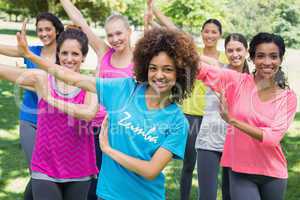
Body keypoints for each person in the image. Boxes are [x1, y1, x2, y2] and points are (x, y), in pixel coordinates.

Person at [16, 24, 200, 200]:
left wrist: (108, 150)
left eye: (167, 69)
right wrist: (30, 56)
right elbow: (73, 78)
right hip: (107, 195)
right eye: (153, 68)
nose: (159, 75)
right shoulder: (125, 89)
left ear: (180, 73)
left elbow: (151, 170)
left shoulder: (177, 122)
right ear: (145, 67)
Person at [0, 27, 99, 200]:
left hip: (79, 170)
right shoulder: (42, 79)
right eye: (64, 53)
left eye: (75, 54)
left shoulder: (90, 85)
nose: (69, 59)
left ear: (83, 57)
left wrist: (51, 100)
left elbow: (88, 113)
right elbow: (3, 71)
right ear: (58, 55)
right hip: (45, 167)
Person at [197, 32, 297, 200]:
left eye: (273, 56)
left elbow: (272, 138)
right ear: (251, 58)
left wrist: (233, 121)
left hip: (273, 173)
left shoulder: (288, 97)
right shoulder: (237, 82)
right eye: (260, 56)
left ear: (281, 59)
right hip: (241, 171)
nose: (267, 62)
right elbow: (202, 70)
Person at [147, 3, 227, 199]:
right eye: (206, 31)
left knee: (214, 165)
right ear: (201, 33)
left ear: (219, 35)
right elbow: (172, 29)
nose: (209, 35)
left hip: (214, 117)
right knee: (188, 164)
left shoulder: (224, 57)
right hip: (190, 114)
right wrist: (154, 9)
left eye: (214, 32)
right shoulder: (191, 50)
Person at [59, 1, 134, 198]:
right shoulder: (104, 52)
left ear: (129, 31)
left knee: (111, 183)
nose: (115, 39)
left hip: (118, 132)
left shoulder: (139, 61)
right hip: (90, 126)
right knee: (87, 179)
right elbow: (79, 20)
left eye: (119, 33)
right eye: (110, 35)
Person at [0, 12, 64, 200]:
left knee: (48, 173)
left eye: (48, 29)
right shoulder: (31, 51)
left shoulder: (64, 55)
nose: (44, 33)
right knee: (38, 172)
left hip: (55, 122)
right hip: (30, 121)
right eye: (40, 30)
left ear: (57, 30)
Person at [195, 33, 249, 200]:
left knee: (231, 195)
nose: (235, 54)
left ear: (246, 51)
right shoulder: (218, 70)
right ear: (225, 52)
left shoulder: (251, 79)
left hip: (235, 142)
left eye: (239, 49)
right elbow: (193, 58)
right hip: (209, 142)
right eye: (230, 50)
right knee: (207, 196)